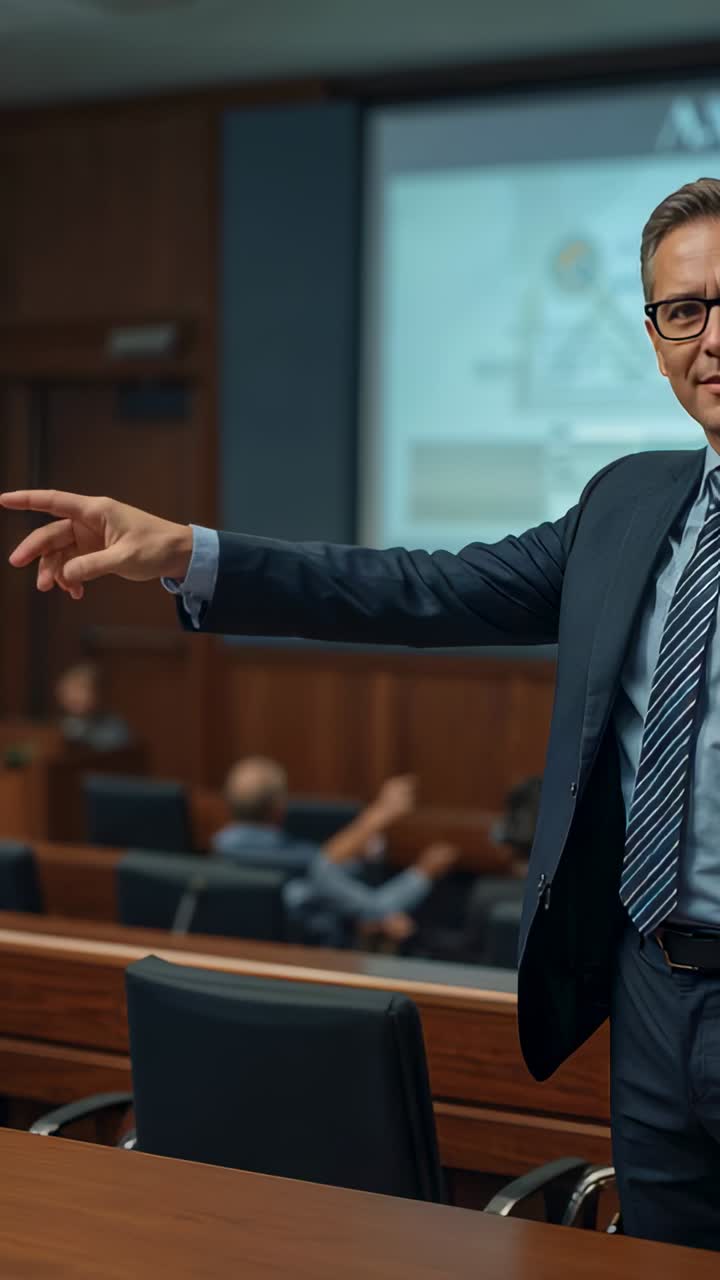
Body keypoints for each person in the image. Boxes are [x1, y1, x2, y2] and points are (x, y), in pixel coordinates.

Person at [7, 176, 720, 1245]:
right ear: (656, 333)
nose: (710, 336)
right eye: (683, 309)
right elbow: (415, 586)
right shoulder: (628, 502)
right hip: (652, 996)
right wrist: (191, 552)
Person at [55, 661, 132, 752]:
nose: (75, 696)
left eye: (82, 689)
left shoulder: (114, 727)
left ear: (98, 693)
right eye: (70, 690)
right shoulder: (60, 724)